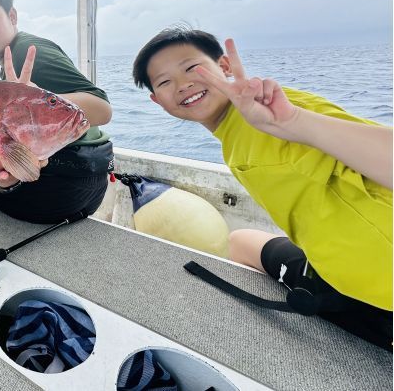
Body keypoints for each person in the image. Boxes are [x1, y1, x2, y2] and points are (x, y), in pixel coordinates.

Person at [132, 26, 392, 348]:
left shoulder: (277, 111)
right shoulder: (233, 136)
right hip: (331, 269)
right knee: (241, 241)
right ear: (158, 101)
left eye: (191, 68)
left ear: (224, 67)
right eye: (165, 82)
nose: (183, 85)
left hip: (379, 297)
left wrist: (293, 122)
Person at [0, 0, 114, 224]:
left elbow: (102, 109)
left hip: (67, 181)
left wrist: (35, 102)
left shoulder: (26, 53)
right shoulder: (10, 57)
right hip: (88, 182)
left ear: (12, 16)